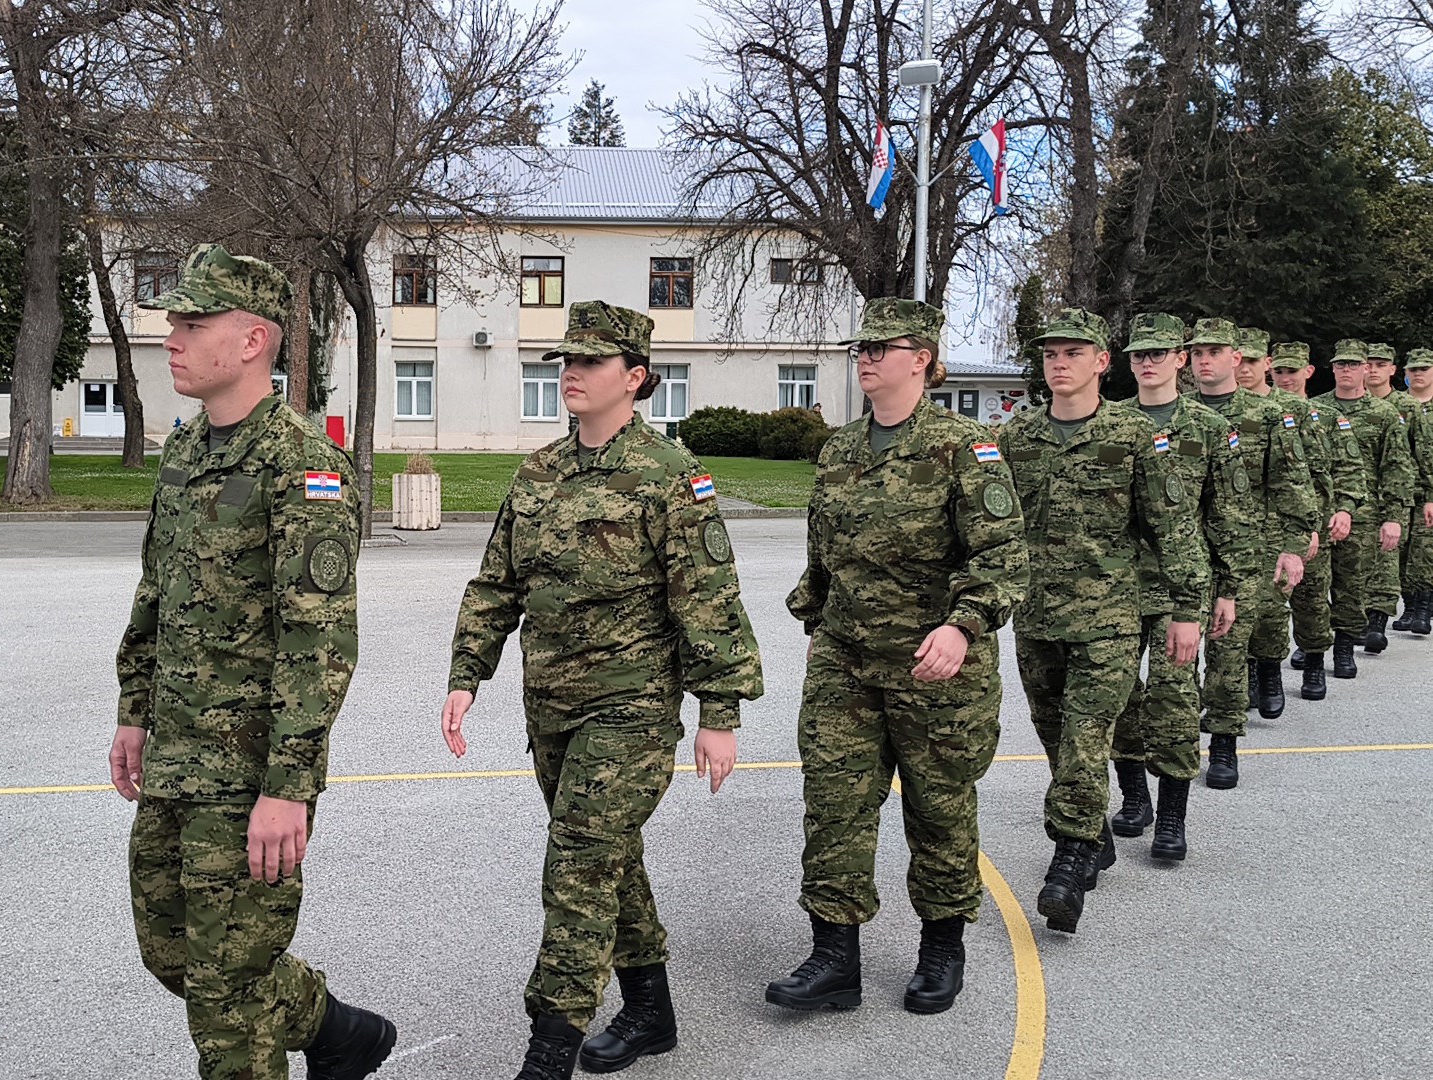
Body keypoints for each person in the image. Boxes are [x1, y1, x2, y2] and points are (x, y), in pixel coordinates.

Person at [443, 300, 763, 1080]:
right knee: (608, 857)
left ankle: (547, 1053)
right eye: (567, 361)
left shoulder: (669, 477)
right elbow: (496, 585)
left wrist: (718, 714)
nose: (572, 373)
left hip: (633, 709)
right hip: (551, 709)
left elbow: (709, 602)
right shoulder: (539, 472)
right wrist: (466, 675)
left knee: (578, 866)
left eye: (590, 361)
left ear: (636, 377)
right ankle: (650, 1010)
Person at [110, 244, 394, 1080]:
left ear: (252, 341)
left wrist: (288, 786)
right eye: (173, 323)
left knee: (227, 1009)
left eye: (194, 323)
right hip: (174, 755)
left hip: (248, 772)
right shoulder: (186, 451)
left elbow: (320, 645)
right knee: (173, 956)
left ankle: (309, 1037)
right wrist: (134, 713)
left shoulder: (302, 467)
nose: (172, 338)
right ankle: (337, 1029)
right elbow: (154, 595)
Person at [764, 298, 1027, 1018]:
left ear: (923, 360)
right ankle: (834, 957)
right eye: (863, 347)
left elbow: (1003, 555)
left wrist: (964, 626)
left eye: (885, 346)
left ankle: (941, 949)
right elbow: (823, 551)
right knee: (835, 806)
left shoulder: (964, 447)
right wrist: (816, 617)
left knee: (939, 811)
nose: (868, 357)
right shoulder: (841, 448)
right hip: (846, 662)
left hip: (933, 665)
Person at [997, 308, 1207, 933]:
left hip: (1109, 619)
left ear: (1100, 362)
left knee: (1088, 734)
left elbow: (1172, 528)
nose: (1059, 363)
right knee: (1055, 733)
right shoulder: (1017, 438)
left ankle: (1068, 856)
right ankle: (1093, 832)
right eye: (1050, 354)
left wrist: (1185, 609)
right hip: (1035, 618)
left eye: (1072, 352)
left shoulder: (1132, 436)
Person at [1110, 313, 1255, 862]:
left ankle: (1172, 817)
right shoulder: (1111, 422)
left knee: (1173, 701)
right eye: (1138, 354)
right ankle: (1133, 798)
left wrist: (1230, 588)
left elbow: (1229, 515)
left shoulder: (1209, 428)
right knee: (1119, 700)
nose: (1147, 362)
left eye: (1158, 353)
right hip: (1115, 589)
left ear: (1180, 359)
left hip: (1181, 588)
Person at [1184, 318, 1316, 788]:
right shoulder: (1176, 414)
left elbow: (1292, 481)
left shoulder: (1266, 415)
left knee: (1229, 647)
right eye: (1198, 352)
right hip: (1185, 552)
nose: (1204, 360)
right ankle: (1175, 749)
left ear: (1235, 359)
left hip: (1248, 550)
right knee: (1178, 653)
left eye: (1215, 352)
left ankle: (1223, 742)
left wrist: (1294, 547)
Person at [1270, 342, 1368, 699]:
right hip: (1265, 528)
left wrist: (1344, 509)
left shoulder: (1324, 417)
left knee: (1311, 601)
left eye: (1291, 371)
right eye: (1279, 371)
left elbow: (1348, 469)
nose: (1285, 378)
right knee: (1264, 606)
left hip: (1315, 527)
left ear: (1307, 372)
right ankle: (1260, 673)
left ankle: (1315, 661)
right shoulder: (1261, 413)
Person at [1238, 328, 1326, 718]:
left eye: (1252, 361)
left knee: (1272, 607)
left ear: (1265, 364)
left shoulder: (1293, 413)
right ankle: (1248, 674)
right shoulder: (1213, 410)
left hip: (1278, 523)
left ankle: (1271, 669)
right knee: (1235, 608)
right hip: (1233, 524)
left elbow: (1317, 473)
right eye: (1238, 360)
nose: (1243, 369)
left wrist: (1312, 525)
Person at [1313, 339, 1415, 665]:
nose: (1347, 370)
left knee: (1351, 586)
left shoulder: (1384, 414)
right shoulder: (1314, 409)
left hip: (1366, 513)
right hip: (1318, 510)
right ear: (1332, 368)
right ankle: (1312, 645)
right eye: (1341, 364)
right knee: (1312, 586)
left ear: (1366, 369)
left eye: (1354, 364)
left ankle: (1344, 647)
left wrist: (1395, 517)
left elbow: (1397, 467)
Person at [1395, 348, 1433, 636]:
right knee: (1402, 551)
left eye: (1424, 368)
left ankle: (1423, 608)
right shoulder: (1396, 406)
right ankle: (1408, 607)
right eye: (1413, 369)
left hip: (1428, 491)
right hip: (1401, 489)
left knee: (1425, 551)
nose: (1418, 373)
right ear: (1405, 373)